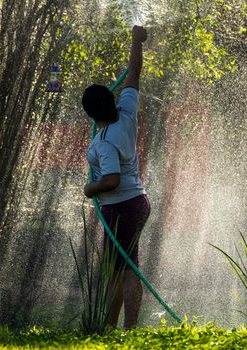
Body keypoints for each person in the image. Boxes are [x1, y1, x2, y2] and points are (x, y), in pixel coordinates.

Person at [82, 25, 150, 329]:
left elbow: (110, 179)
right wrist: (136, 41)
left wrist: (90, 188)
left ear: (90, 115)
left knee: (125, 268)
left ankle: (127, 329)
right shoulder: (126, 113)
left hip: (122, 204)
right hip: (136, 201)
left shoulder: (105, 141)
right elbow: (134, 71)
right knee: (120, 266)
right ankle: (113, 327)